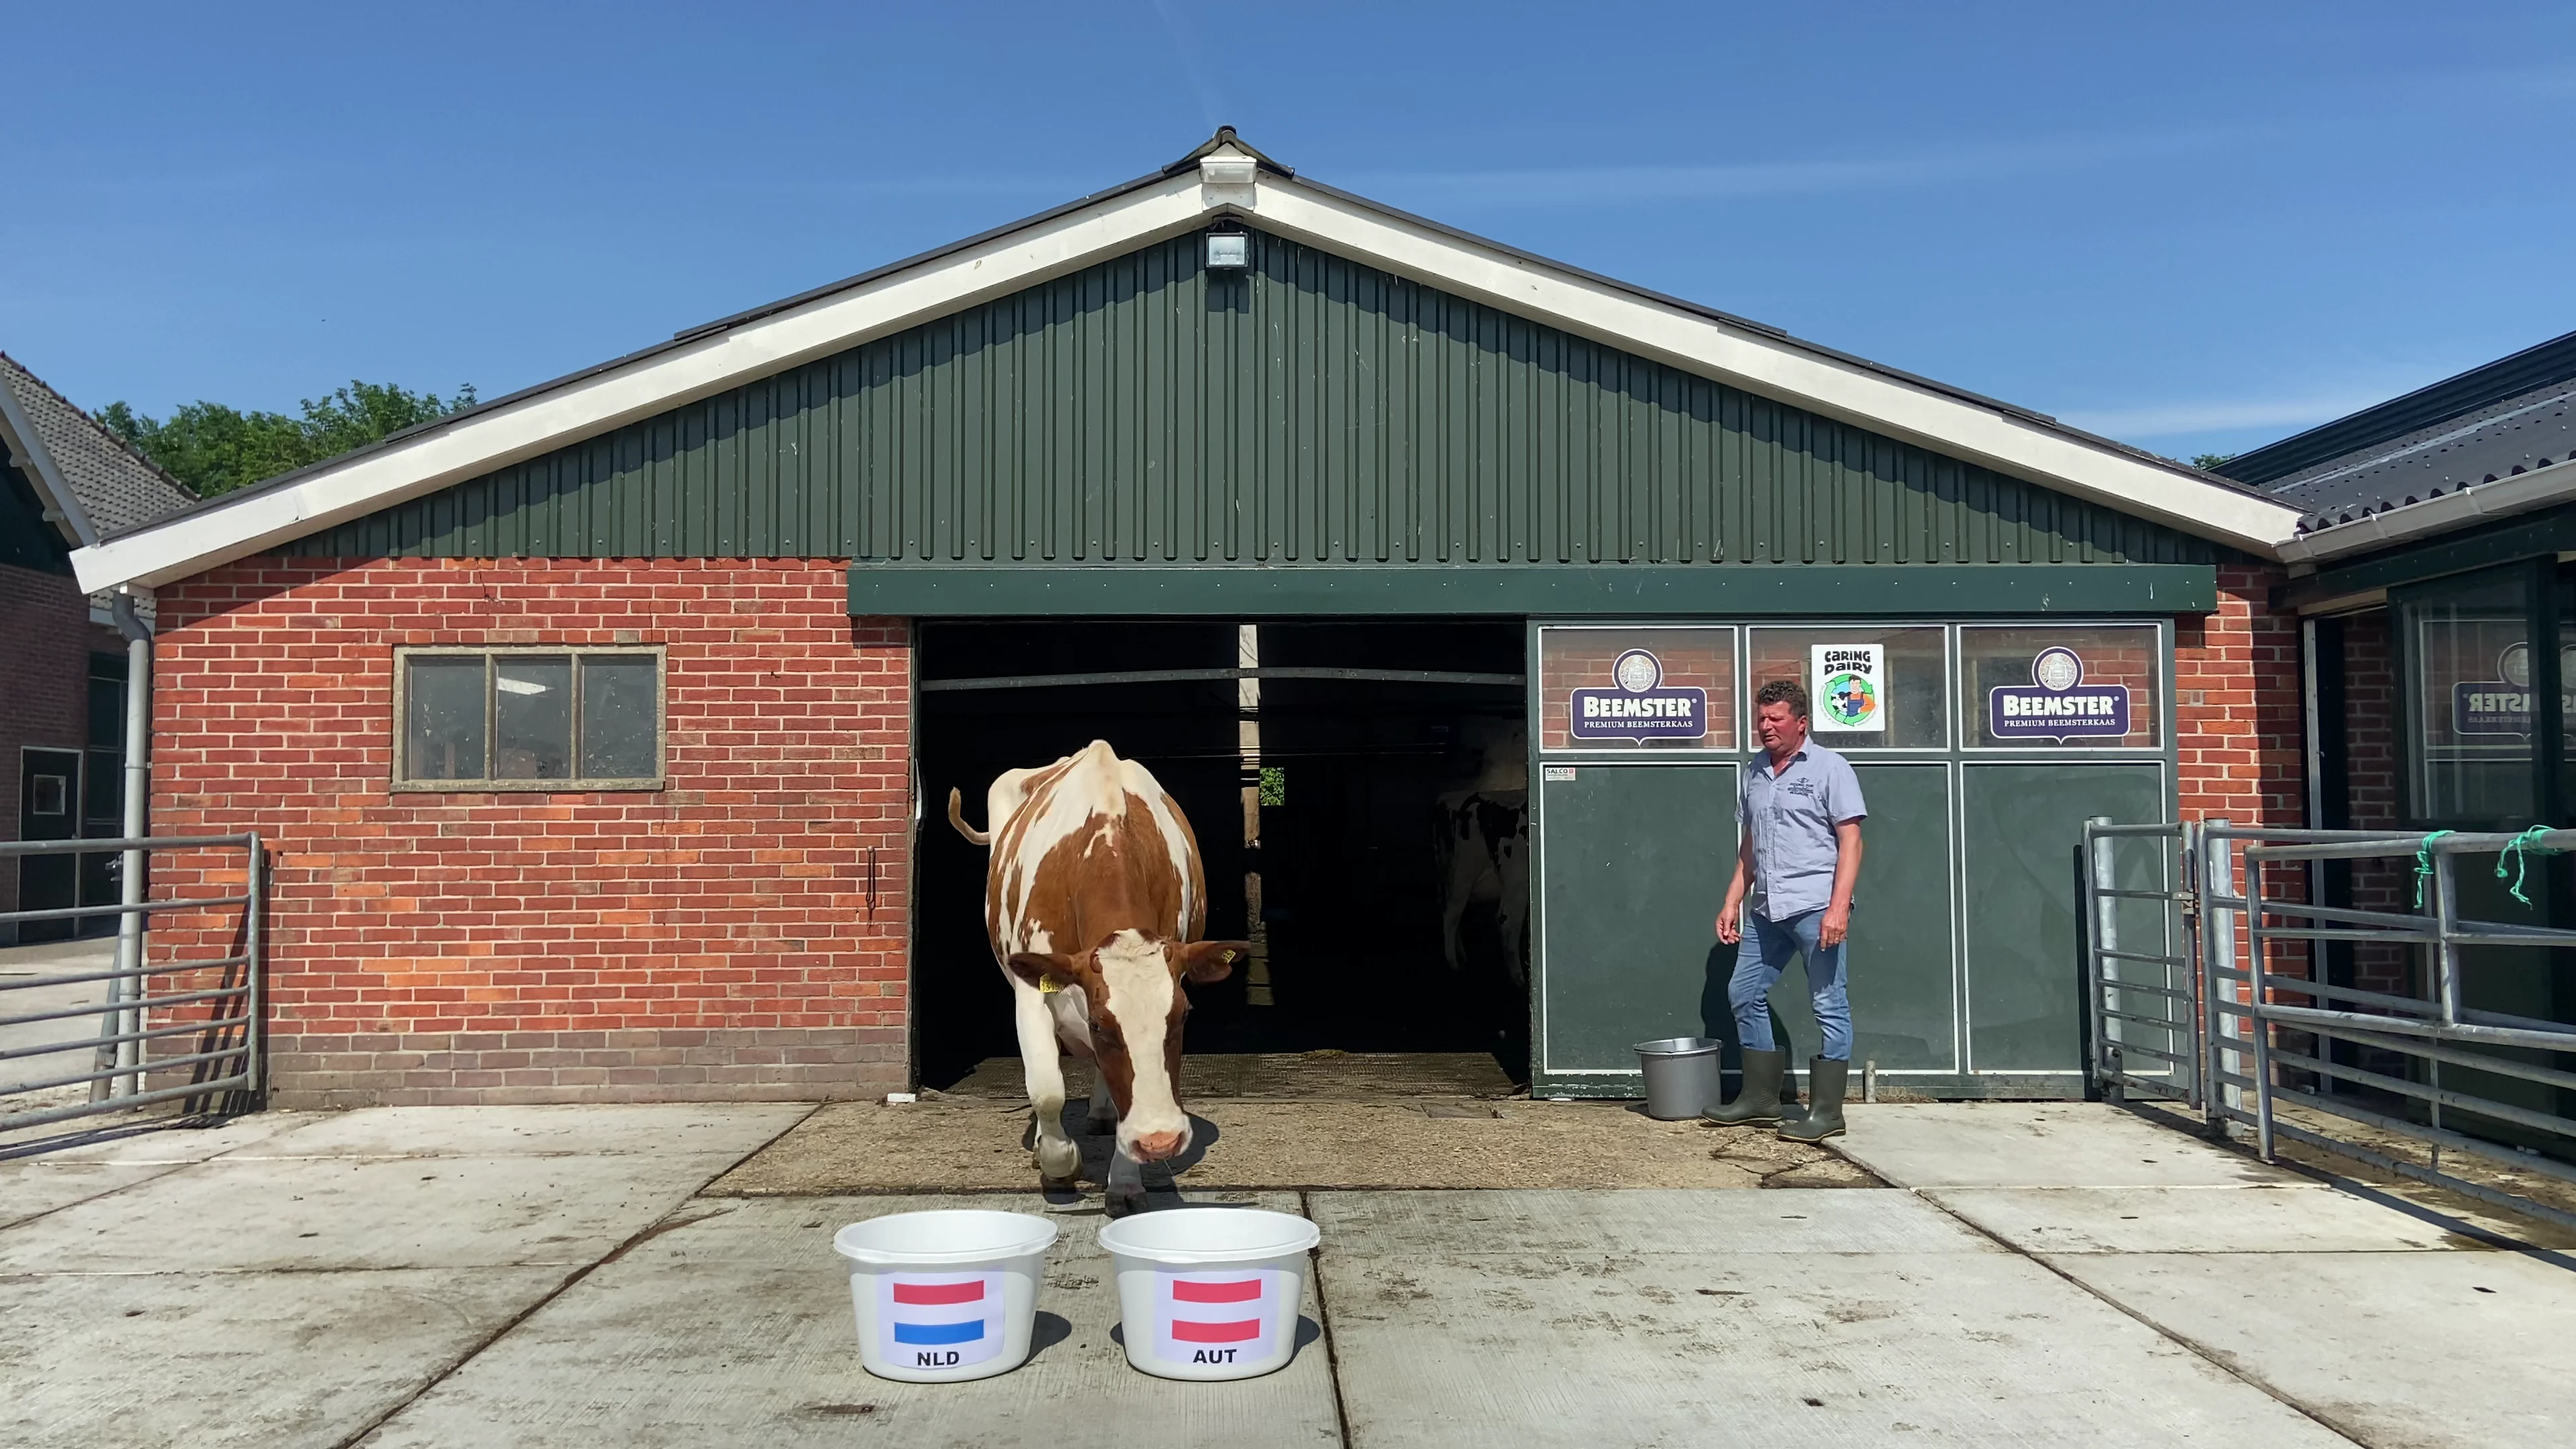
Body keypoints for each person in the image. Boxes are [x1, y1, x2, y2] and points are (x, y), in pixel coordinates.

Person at [1704, 678, 1865, 1140]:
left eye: (1776, 719)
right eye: (1761, 718)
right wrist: (1733, 899)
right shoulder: (1754, 770)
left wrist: (1838, 909)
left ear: (1801, 722)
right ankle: (1760, 1100)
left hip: (1817, 906)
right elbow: (1750, 844)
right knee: (1743, 993)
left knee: (1828, 1003)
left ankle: (1828, 1113)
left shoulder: (1831, 769)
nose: (1766, 726)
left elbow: (1851, 842)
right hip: (1767, 909)